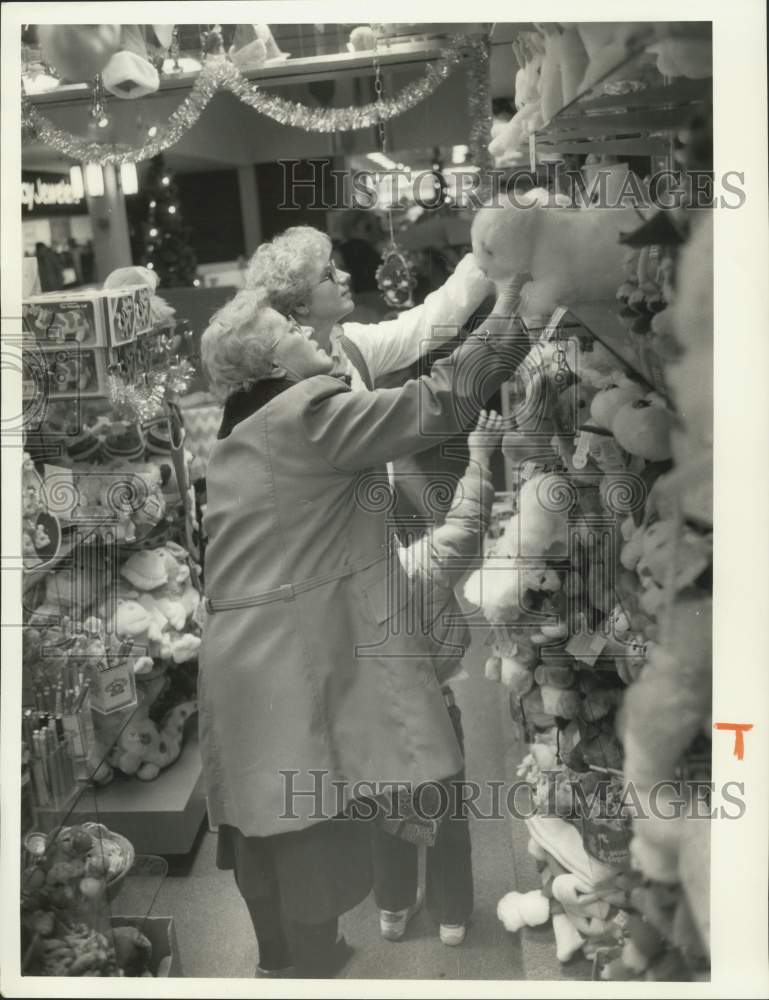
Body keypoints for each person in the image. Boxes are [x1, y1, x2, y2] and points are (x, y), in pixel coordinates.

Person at [198, 285, 527, 979]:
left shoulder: (236, 427)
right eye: (285, 325)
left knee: (260, 820)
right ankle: (313, 968)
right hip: (291, 653)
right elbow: (431, 403)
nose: (306, 327)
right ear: (269, 361)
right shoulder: (305, 414)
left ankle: (280, 960)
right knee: (309, 819)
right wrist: (513, 318)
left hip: (237, 653)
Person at [371, 409, 503, 947]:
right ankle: (451, 914)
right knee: (447, 808)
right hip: (436, 702)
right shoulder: (424, 561)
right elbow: (468, 524)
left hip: (374, 708)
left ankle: (393, 907)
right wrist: (479, 456)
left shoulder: (344, 579)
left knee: (385, 807)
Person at [244, 224, 493, 393]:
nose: (345, 275)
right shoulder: (280, 376)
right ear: (299, 302)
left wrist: (485, 255)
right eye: (328, 274)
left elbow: (426, 324)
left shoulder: (350, 343)